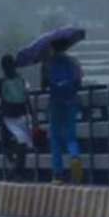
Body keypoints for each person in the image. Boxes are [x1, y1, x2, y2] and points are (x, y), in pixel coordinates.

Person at [41, 40, 83, 185]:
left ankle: (58, 175)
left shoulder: (47, 63)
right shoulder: (73, 62)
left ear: (52, 47)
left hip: (56, 103)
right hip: (71, 102)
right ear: (66, 46)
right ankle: (75, 156)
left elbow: (43, 86)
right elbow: (78, 83)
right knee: (71, 135)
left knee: (55, 138)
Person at [0, 54, 34, 182]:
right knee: (22, 143)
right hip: (21, 114)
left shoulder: (0, 81)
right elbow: (27, 98)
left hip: (7, 116)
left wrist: (1, 108)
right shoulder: (21, 80)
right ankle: (19, 171)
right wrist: (33, 115)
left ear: (2, 67)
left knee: (8, 144)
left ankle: (14, 169)